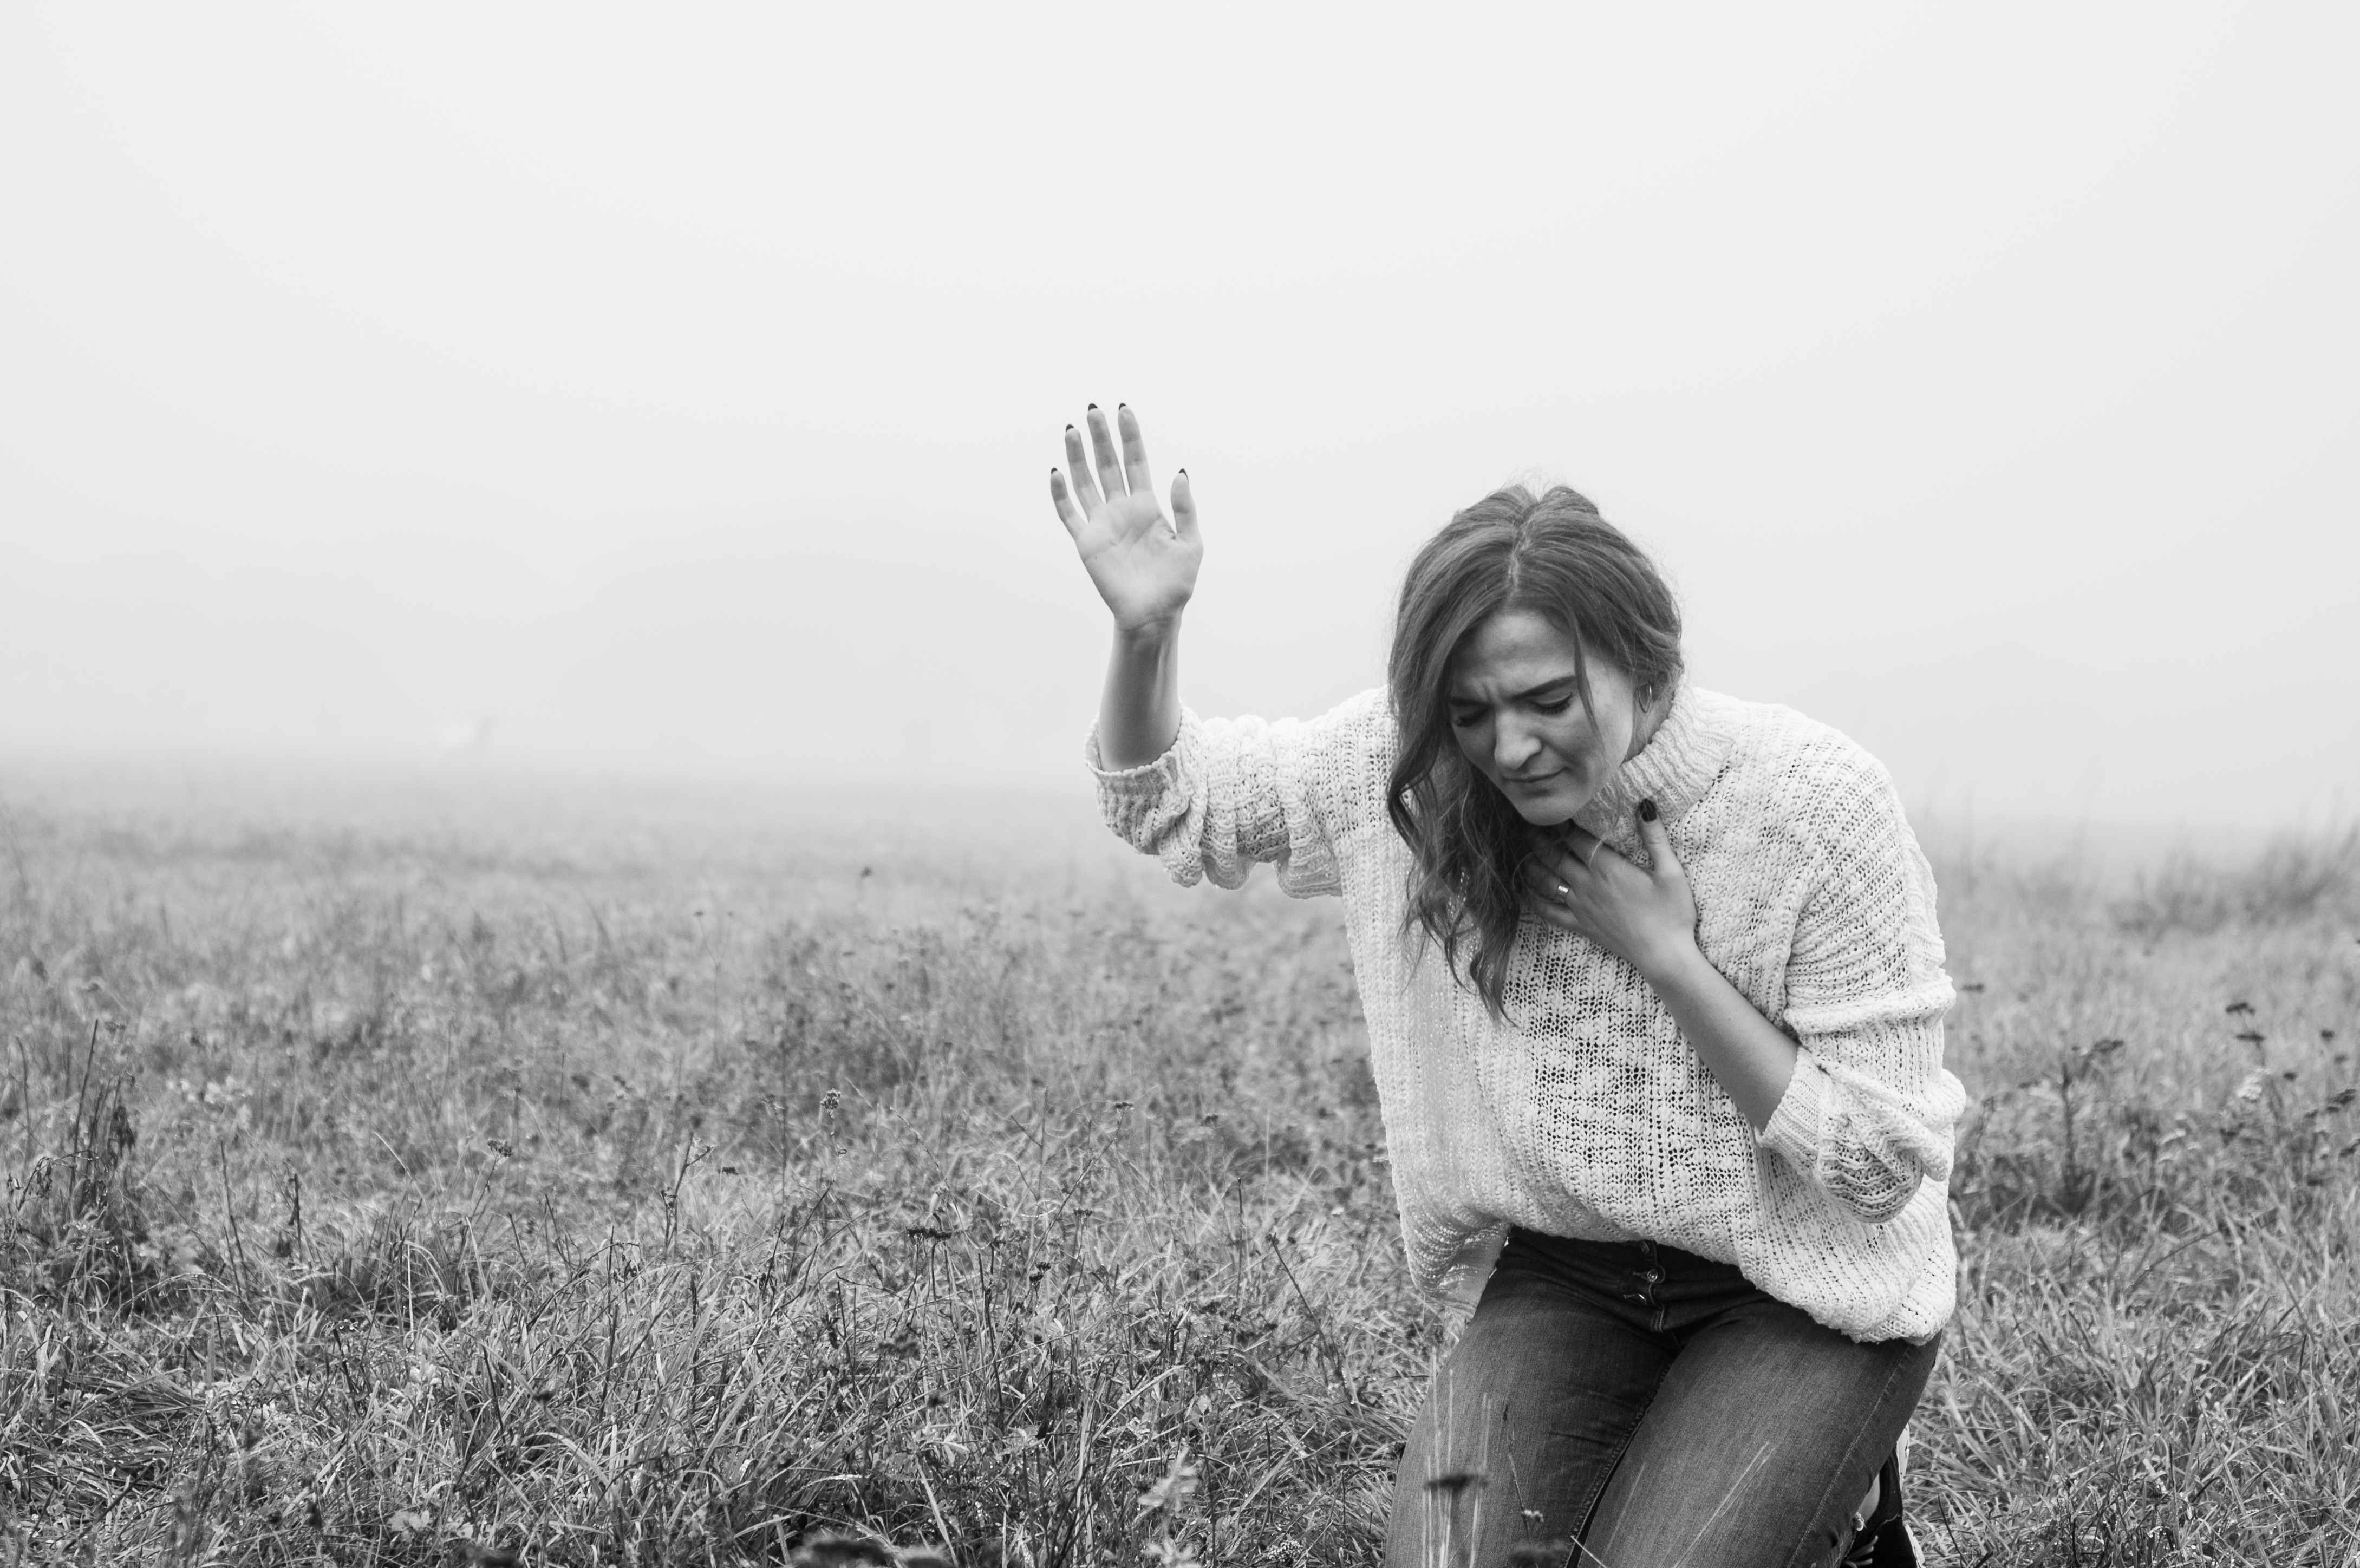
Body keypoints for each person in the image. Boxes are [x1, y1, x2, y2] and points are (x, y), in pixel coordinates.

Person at [1049, 406, 1960, 1568]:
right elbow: (1168, 800)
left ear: (1642, 659)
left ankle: (1846, 1515)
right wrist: (1145, 633)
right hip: (1569, 1275)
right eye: (1471, 711)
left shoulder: (1812, 804)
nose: (1510, 747)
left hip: (1801, 1291)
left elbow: (1879, 1164)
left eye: (1547, 700)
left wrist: (1669, 959)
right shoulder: (1417, 775)